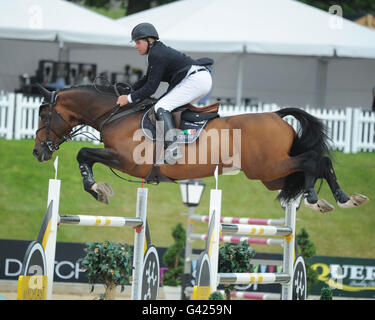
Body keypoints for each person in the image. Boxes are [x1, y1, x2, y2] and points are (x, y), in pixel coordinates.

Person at [117, 23, 213, 164]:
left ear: (149, 41)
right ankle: (182, 137)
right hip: (198, 79)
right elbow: (146, 79)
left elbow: (151, 88)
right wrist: (128, 89)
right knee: (166, 106)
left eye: (138, 42)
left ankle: (173, 149)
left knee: (161, 107)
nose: (136, 46)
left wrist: (129, 98)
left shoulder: (157, 54)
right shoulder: (156, 51)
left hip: (196, 80)